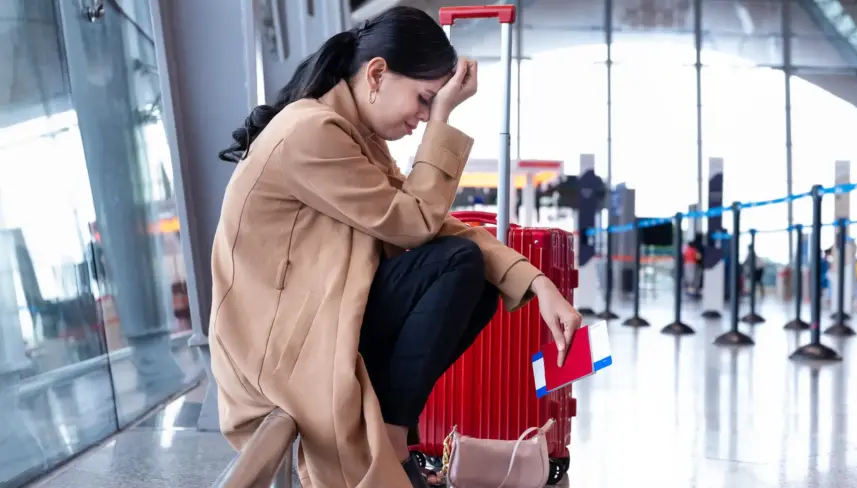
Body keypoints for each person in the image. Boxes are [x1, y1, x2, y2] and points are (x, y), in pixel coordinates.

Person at [208, 7, 582, 488]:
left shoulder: (352, 137)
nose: (423, 115)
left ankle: (391, 430)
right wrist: (444, 119)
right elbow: (415, 225)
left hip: (320, 324)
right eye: (424, 99)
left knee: (476, 275)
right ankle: (392, 435)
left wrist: (538, 282)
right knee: (458, 264)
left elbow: (434, 225)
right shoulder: (310, 132)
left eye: (433, 105)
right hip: (281, 352)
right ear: (377, 73)